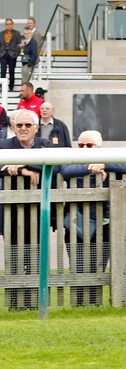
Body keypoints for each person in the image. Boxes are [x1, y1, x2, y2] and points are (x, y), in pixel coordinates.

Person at [58, 130, 126, 306]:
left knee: (98, 264)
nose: (84, 148)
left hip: (103, 223)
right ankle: (79, 303)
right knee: (77, 266)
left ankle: (94, 302)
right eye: (81, 145)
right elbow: (64, 170)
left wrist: (104, 163)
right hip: (76, 223)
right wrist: (89, 167)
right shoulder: (72, 159)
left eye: (89, 145)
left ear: (98, 147)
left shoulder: (106, 158)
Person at [0, 109, 49, 309]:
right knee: (13, 258)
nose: (23, 129)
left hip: (39, 213)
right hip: (10, 214)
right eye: (19, 125)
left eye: (28, 125)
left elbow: (58, 166)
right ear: (13, 127)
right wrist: (22, 170)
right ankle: (15, 303)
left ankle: (35, 302)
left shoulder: (44, 145)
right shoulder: (4, 145)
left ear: (36, 128)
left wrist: (24, 163)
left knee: (36, 256)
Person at [1, 18, 22, 92]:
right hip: (3, 54)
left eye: (10, 24)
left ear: (12, 25)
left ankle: (11, 87)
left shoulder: (17, 33)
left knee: (11, 71)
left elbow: (19, 44)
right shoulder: (1, 33)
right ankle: (2, 87)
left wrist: (16, 53)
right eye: (7, 24)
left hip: (12, 54)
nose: (8, 26)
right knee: (3, 71)